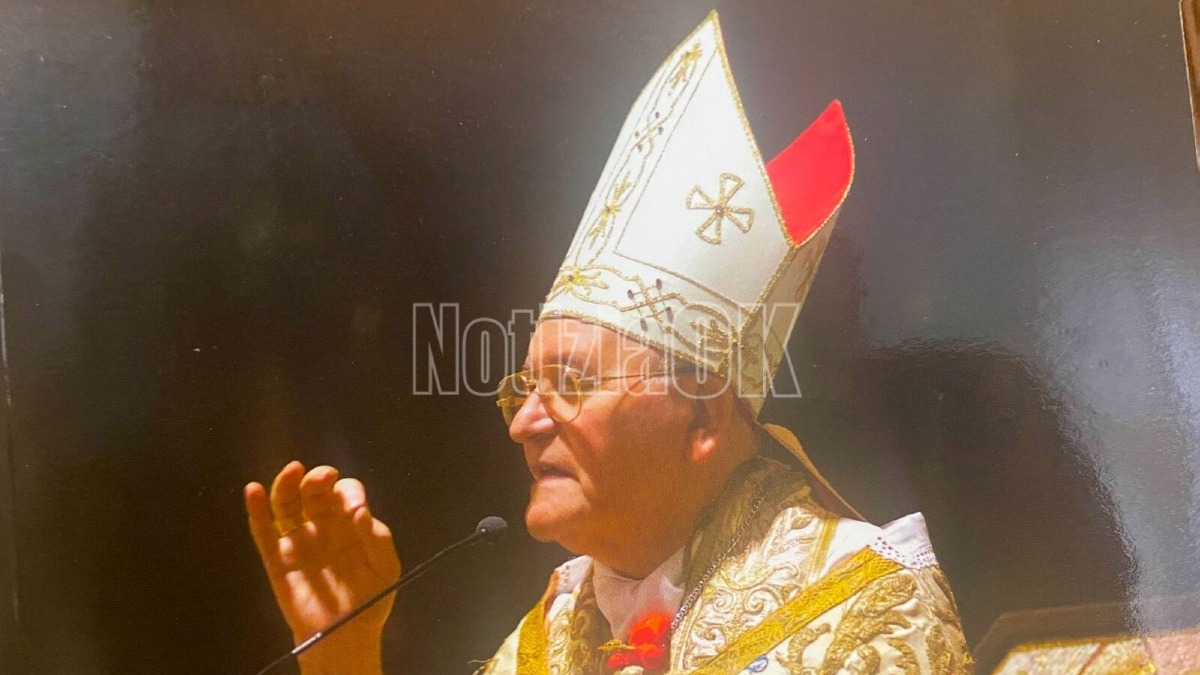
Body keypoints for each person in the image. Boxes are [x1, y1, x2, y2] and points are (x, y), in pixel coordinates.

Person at [246, 12, 973, 674]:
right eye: (523, 389)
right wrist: (345, 652)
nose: (524, 424)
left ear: (702, 421)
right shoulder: (554, 630)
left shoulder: (864, 611)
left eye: (569, 384)